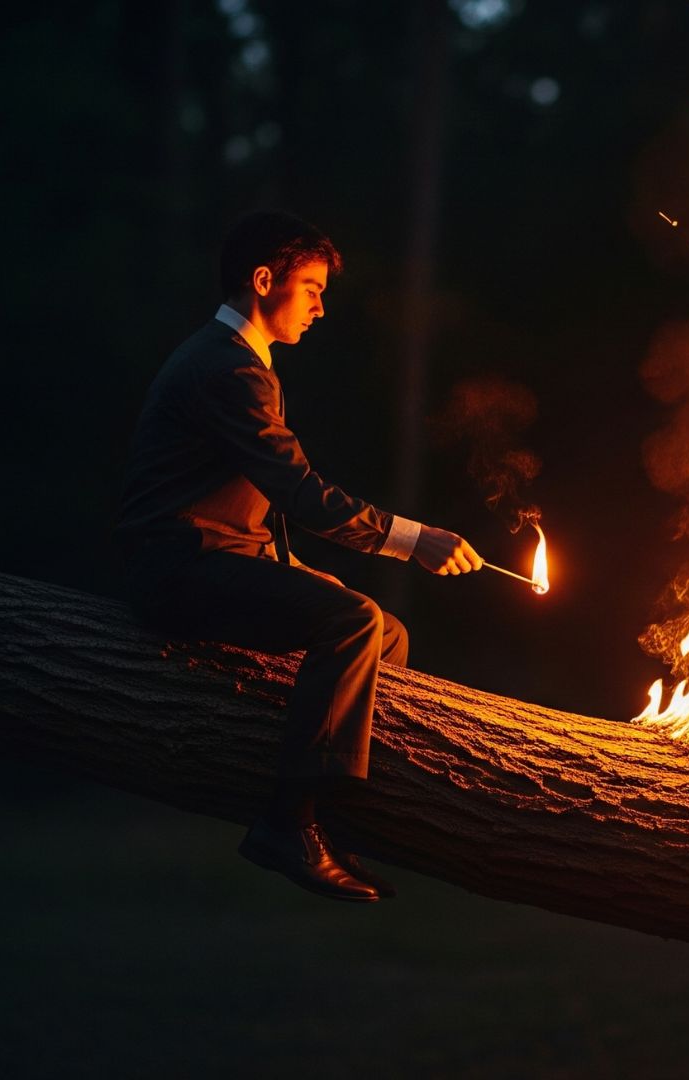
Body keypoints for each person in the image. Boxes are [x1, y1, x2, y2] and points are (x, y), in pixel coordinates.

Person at [117, 210, 481, 903]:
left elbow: (259, 503)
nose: (321, 305)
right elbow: (302, 496)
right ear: (263, 281)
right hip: (176, 568)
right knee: (350, 620)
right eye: (311, 287)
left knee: (387, 633)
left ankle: (346, 801)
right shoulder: (225, 369)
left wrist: (290, 573)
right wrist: (414, 540)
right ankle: (290, 822)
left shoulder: (239, 363)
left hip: (217, 554)